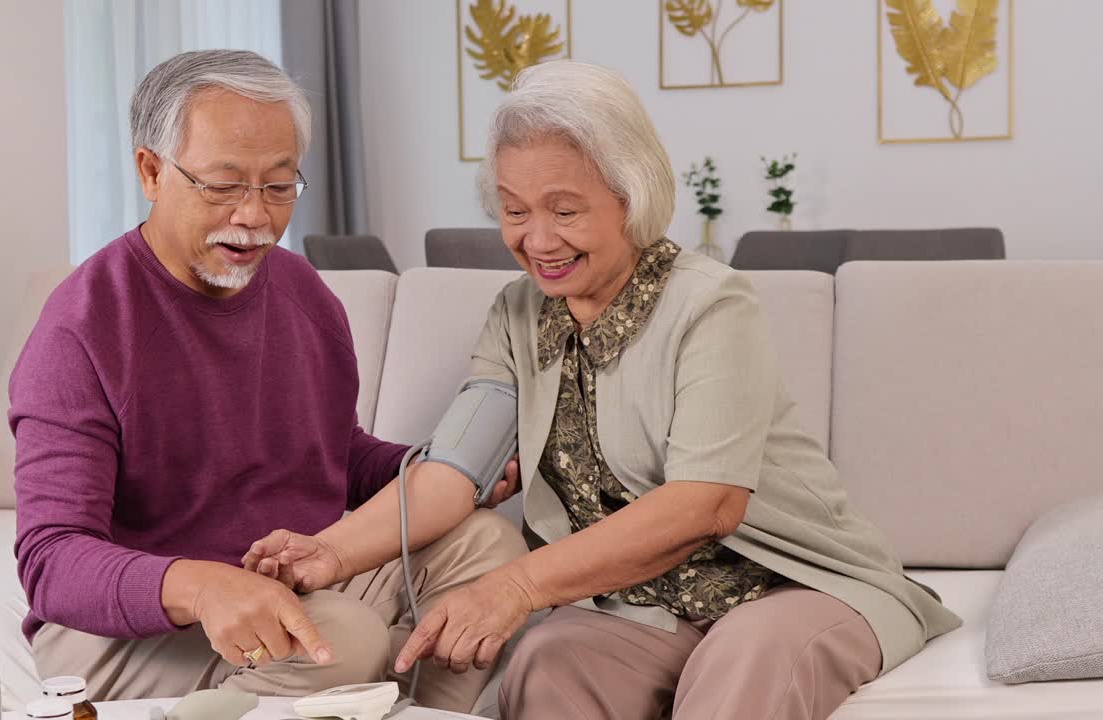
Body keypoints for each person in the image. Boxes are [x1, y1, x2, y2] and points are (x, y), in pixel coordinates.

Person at [249, 60, 963, 719]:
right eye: (514, 209)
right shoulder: (516, 316)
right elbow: (450, 474)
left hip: (793, 584)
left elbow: (704, 503)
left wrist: (518, 586)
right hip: (647, 607)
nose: (536, 239)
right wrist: (330, 552)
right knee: (548, 661)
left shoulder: (711, 305)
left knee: (749, 658)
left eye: (564, 210)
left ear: (631, 197)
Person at [8, 49, 526, 713]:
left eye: (279, 186)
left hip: (291, 579)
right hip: (133, 627)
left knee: (487, 544)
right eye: (223, 185)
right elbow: (52, 561)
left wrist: (436, 471)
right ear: (151, 171)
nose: (255, 216)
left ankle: (414, 710)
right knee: (342, 638)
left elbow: (331, 456)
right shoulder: (82, 326)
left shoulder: (305, 294)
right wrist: (200, 587)